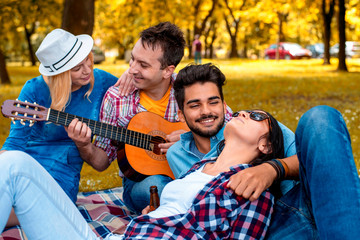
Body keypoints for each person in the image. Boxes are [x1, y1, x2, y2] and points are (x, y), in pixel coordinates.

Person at [0, 106, 284, 239]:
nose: (246, 113)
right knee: (14, 163)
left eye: (258, 116)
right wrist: (154, 214)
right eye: (245, 111)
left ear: (266, 144)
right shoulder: (199, 168)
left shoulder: (254, 189)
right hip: (120, 237)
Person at [168, 63, 360, 239]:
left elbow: (318, 158)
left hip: (290, 207)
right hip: (239, 228)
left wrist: (272, 168)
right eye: (194, 105)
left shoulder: (252, 129)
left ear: (224, 106)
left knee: (320, 118)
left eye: (213, 102)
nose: (206, 112)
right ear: (182, 116)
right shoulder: (180, 157)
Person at [0, 29, 119, 226]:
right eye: (77, 67)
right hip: (30, 158)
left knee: (37, 206)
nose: (87, 70)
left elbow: (133, 96)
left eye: (87, 60)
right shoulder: (34, 89)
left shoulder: (101, 81)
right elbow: (15, 143)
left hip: (63, 169)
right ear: (60, 74)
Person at [66, 22, 187, 214]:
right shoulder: (117, 97)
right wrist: (84, 146)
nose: (131, 70)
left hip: (189, 173)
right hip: (140, 182)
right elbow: (102, 162)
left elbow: (227, 124)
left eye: (143, 65)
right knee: (160, 186)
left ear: (167, 71)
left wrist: (190, 139)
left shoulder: (188, 89)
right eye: (133, 59)